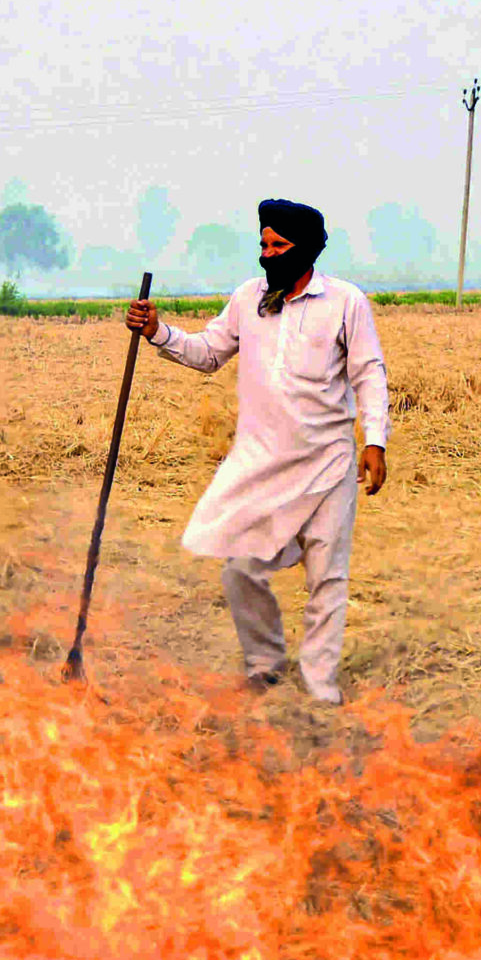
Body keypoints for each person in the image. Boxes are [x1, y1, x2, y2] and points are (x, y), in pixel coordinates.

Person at [124, 199, 389, 704]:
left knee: (326, 578)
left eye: (279, 246)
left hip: (328, 465)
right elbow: (207, 353)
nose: (268, 255)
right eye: (263, 245)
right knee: (242, 567)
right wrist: (157, 330)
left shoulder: (345, 302)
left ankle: (318, 688)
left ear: (307, 249)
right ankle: (265, 665)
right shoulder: (249, 299)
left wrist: (374, 440)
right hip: (263, 465)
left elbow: (368, 373)